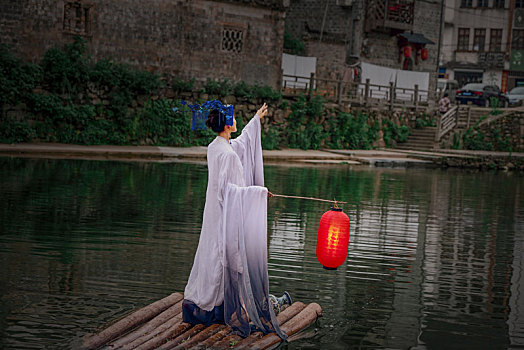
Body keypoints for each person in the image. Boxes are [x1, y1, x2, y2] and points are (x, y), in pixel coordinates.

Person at [182, 102, 288, 340]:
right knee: (222, 256)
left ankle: (206, 303)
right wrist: (259, 193)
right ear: (228, 124)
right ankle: (215, 308)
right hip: (223, 214)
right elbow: (233, 192)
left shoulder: (215, 147)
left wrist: (255, 120)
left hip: (213, 212)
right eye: (234, 118)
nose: (236, 120)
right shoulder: (228, 155)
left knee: (211, 254)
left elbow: (239, 143)